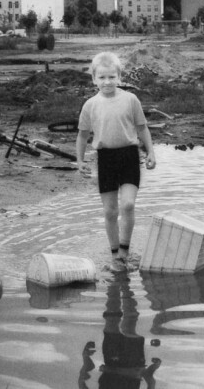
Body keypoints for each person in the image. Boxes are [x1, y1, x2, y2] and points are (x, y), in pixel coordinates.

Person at [76, 52, 156, 272]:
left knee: (128, 204)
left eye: (112, 77)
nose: (107, 82)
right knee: (110, 211)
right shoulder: (90, 105)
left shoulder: (131, 100)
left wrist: (150, 152)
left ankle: (124, 252)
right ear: (94, 79)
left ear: (119, 76)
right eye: (102, 78)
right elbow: (82, 135)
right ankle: (115, 256)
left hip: (130, 156)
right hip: (105, 160)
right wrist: (80, 160)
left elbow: (142, 128)